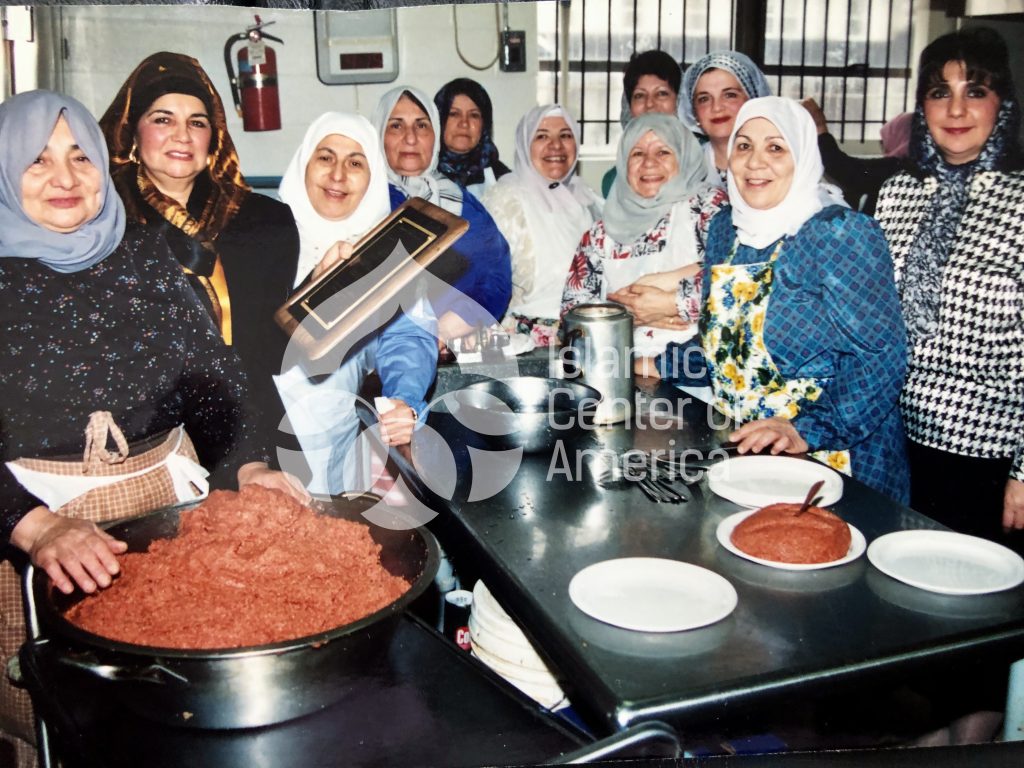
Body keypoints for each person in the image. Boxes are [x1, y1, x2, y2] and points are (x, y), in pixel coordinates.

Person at [0, 90, 305, 765]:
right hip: (32, 541)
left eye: (80, 156)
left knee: (179, 716)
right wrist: (36, 527)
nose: (66, 178)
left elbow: (213, 378)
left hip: (167, 518)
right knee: (65, 726)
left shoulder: (140, 257)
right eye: (37, 161)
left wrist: (249, 464)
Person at [679, 96, 908, 502]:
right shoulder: (724, 233)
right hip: (750, 450)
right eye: (744, 145)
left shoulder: (838, 235)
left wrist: (806, 429)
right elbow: (725, 348)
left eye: (776, 148)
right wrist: (654, 363)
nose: (755, 162)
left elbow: (881, 358)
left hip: (832, 457)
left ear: (802, 157)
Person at [99, 52, 300, 467]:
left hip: (255, 429)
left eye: (197, 122)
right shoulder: (104, 226)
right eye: (162, 119)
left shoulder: (265, 222)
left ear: (214, 137)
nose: (182, 135)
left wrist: (329, 281)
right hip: (146, 440)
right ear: (133, 132)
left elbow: (274, 344)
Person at [875, 27, 1024, 551]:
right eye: (941, 92)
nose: (956, 110)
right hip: (897, 440)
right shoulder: (896, 193)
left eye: (975, 91)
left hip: (990, 455)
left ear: (1002, 102)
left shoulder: (1020, 202)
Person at [274, 112, 437, 495]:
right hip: (254, 445)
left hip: (331, 445)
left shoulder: (384, 256)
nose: (338, 175)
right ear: (304, 164)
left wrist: (404, 398)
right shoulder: (261, 237)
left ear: (373, 177)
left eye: (356, 163)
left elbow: (407, 337)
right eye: (325, 157)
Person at [562, 112, 726, 378]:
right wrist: (627, 315)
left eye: (663, 152)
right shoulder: (600, 233)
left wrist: (671, 302)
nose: (649, 163)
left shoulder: (710, 208)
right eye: (637, 154)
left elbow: (735, 287)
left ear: (683, 157)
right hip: (623, 372)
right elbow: (573, 318)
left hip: (699, 371)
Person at [372, 86, 511, 342]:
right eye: (396, 126)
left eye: (422, 125)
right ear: (379, 135)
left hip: (456, 339)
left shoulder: (460, 202)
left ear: (434, 135)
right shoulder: (365, 200)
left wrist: (447, 328)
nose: (411, 138)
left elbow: (496, 274)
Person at [482, 104, 602, 347]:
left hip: (587, 339)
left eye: (565, 136)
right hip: (527, 344)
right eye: (542, 136)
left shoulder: (591, 201)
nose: (556, 146)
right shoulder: (504, 201)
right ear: (525, 145)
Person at [802, 97, 911, 214]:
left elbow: (843, 168)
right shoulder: (910, 168)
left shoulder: (898, 168)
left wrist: (820, 126)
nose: (883, 145)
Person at [680, 50, 772, 183]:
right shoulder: (682, 169)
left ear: (753, 98)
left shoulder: (779, 163)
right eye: (704, 99)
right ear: (693, 112)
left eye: (730, 95)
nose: (716, 107)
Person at [602, 50, 683, 197]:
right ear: (628, 106)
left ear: (679, 101)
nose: (650, 104)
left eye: (662, 93)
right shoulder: (614, 181)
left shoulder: (704, 163)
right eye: (639, 96)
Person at [434, 78, 511, 199]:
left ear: (484, 124)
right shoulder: (421, 175)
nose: (464, 123)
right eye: (454, 114)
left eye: (474, 115)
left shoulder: (503, 180)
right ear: (438, 120)